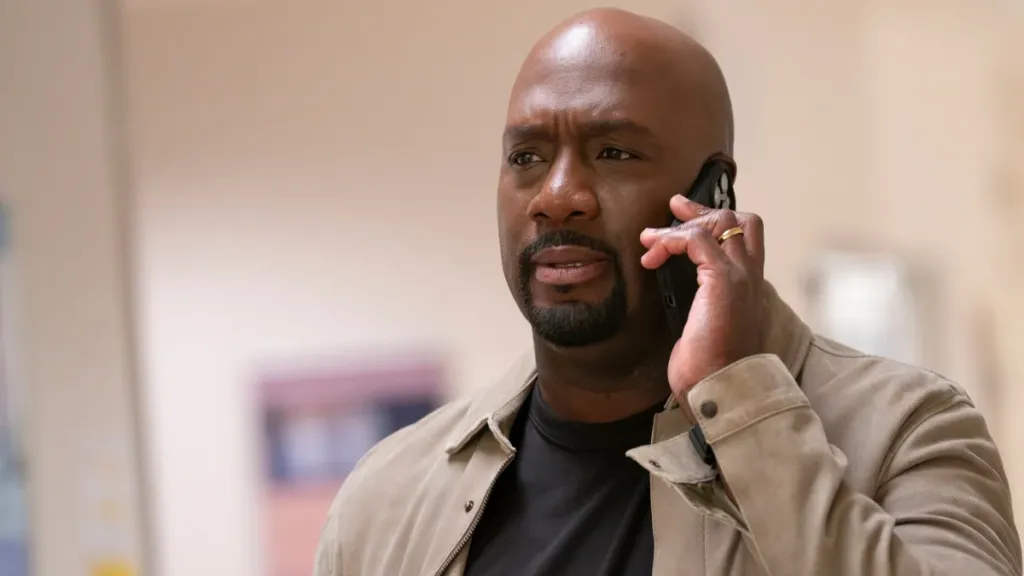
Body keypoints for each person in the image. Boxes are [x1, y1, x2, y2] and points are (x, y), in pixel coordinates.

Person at [313, 8, 1021, 576]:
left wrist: (740, 401)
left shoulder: (907, 430)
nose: (556, 196)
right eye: (526, 157)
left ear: (715, 196)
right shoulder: (389, 495)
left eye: (613, 152)